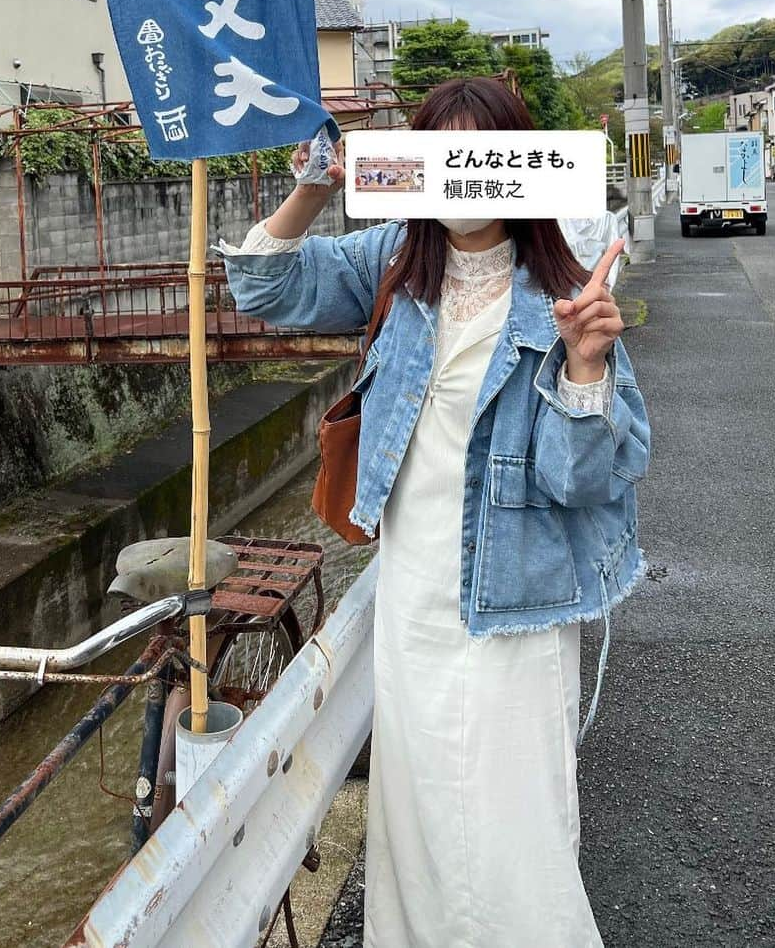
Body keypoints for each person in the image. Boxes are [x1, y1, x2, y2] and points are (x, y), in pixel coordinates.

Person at [218, 77, 650, 948]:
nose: (464, 181)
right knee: (416, 818)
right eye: (441, 159)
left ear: (518, 166)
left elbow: (588, 479)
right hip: (414, 592)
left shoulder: (565, 287)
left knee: (512, 824)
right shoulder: (391, 262)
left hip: (518, 600)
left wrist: (585, 369)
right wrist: (317, 183)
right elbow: (259, 285)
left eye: (480, 158)